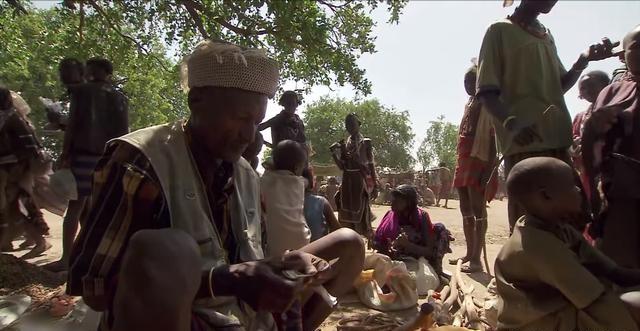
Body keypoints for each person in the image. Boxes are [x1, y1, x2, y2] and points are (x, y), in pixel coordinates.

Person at [67, 41, 364, 331]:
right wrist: (220, 281)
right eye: (240, 118)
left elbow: (246, 261)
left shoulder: (246, 174)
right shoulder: (139, 160)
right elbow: (96, 291)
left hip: (243, 316)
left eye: (257, 121)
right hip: (181, 319)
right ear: (196, 100)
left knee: (350, 242)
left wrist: (281, 266)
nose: (250, 134)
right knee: (166, 249)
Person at [477, 0, 619, 231]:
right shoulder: (499, 31)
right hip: (526, 145)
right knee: (532, 227)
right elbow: (486, 91)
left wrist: (582, 60)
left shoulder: (546, 34)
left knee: (571, 223)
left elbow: (558, 85)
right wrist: (512, 123)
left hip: (558, 139)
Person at [495, 157, 640, 331]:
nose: (579, 189)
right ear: (546, 196)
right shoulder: (539, 247)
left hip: (560, 310)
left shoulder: (557, 229)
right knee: (633, 305)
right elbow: (594, 299)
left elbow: (613, 272)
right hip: (539, 324)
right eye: (572, 185)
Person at [46, 57, 130, 272]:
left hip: (82, 156)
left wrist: (65, 152)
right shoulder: (119, 97)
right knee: (94, 210)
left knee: (75, 208)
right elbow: (123, 132)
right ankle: (92, 256)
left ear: (94, 71)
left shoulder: (82, 92)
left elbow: (73, 124)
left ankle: (66, 259)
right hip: (107, 158)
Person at [582, 25, 640, 268]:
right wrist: (594, 195)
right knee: (619, 271)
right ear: (623, 55)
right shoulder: (612, 93)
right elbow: (591, 145)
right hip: (622, 198)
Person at [451, 64, 497, 273]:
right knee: (465, 209)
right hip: (464, 157)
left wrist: (488, 170)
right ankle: (470, 253)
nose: (467, 86)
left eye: (471, 82)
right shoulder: (469, 103)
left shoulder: (487, 103)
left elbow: (493, 137)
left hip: (479, 158)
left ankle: (477, 259)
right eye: (465, 82)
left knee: (478, 210)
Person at [0, 87, 51, 258]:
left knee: (15, 206)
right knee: (16, 206)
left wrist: (18, 169)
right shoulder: (8, 117)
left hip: (17, 168)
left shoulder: (12, 118)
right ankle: (31, 239)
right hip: (13, 167)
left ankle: (39, 241)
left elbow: (30, 146)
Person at [373, 185, 451, 274]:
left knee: (440, 229)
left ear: (409, 203)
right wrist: (385, 246)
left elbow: (429, 251)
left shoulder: (421, 217)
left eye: (398, 200)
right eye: (393, 199)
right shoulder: (390, 215)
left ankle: (436, 271)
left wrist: (408, 245)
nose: (393, 202)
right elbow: (378, 243)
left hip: (417, 257)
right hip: (396, 258)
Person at [331, 113, 378, 244]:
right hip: (347, 182)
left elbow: (370, 164)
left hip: (359, 181)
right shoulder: (344, 145)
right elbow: (342, 166)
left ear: (358, 124)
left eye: (352, 123)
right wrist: (334, 154)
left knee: (362, 212)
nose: (350, 126)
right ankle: (348, 241)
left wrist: (375, 185)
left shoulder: (366, 142)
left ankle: (368, 242)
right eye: (347, 124)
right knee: (339, 202)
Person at [261, 140, 311, 257]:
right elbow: (309, 182)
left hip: (275, 244)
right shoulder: (299, 182)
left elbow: (266, 166)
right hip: (302, 239)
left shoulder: (265, 180)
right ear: (297, 167)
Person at [571, 70, 610, 200]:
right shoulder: (579, 117)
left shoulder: (618, 111)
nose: (586, 90)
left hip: (611, 172)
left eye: (591, 85)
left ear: (606, 86)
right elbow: (571, 143)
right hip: (587, 174)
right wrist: (575, 148)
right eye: (582, 87)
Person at [303, 167, 341, 242]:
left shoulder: (283, 203)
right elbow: (338, 231)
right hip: (318, 250)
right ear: (312, 183)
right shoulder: (321, 202)